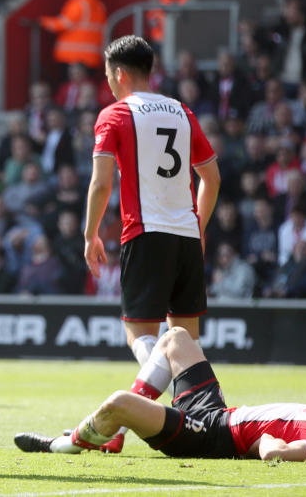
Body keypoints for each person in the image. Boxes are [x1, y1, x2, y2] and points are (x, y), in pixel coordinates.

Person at [14, 326, 306, 462]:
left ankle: (66, 444)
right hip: (218, 411)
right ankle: (114, 434)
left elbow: (281, 451)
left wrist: (274, 449)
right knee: (176, 337)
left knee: (117, 403)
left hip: (208, 435)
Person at [83, 35, 220, 453]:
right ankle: (135, 424)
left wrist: (90, 234)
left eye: (108, 77)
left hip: (145, 234)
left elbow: (102, 181)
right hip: (185, 236)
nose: (109, 85)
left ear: (120, 74)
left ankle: (132, 421)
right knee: (184, 343)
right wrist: (198, 229)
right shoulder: (182, 111)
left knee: (141, 337)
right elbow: (211, 178)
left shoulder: (115, 114)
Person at [39, 0, 107, 70]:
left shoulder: (78, 2)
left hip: (72, 56)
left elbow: (63, 24)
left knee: (70, 84)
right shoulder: (99, 5)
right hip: (92, 56)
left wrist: (42, 21)